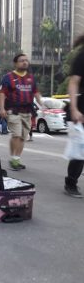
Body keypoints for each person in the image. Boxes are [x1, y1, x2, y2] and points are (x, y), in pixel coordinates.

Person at [0, 53, 43, 170]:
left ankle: (16, 159)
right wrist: (2, 108)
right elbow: (2, 93)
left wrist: (41, 103)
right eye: (22, 60)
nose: (25, 62)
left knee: (23, 137)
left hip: (27, 111)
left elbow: (35, 92)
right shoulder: (8, 77)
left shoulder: (31, 78)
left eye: (26, 61)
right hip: (13, 111)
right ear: (16, 63)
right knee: (17, 135)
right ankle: (14, 160)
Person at [65, 34, 84, 198]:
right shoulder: (81, 57)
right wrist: (74, 108)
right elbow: (73, 82)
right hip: (82, 109)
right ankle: (71, 182)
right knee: (80, 150)